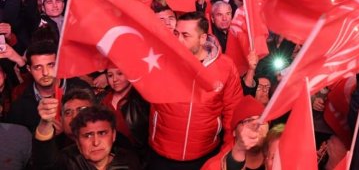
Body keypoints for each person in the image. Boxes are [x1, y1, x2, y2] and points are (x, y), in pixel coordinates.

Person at [148, 11, 243, 169]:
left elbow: (232, 112)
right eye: (176, 33)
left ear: (203, 38)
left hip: (203, 156)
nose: (178, 40)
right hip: (161, 154)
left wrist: (227, 151)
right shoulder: (160, 60)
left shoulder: (225, 67)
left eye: (186, 35)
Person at [32, 104, 141, 170]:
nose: (96, 142)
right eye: (88, 135)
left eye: (102, 133)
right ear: (77, 141)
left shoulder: (130, 161)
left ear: (113, 135)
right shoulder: (67, 162)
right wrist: (45, 123)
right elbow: (44, 163)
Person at [200, 97, 269, 170]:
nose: (256, 125)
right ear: (234, 132)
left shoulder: (277, 156)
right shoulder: (212, 167)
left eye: (261, 119)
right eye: (248, 121)